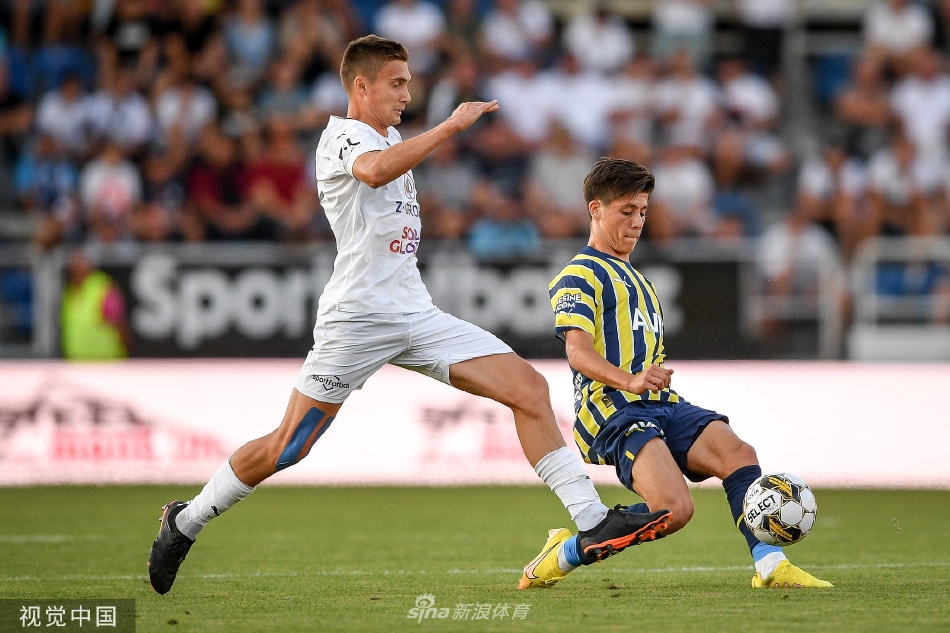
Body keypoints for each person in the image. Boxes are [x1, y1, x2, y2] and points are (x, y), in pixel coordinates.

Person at [148, 35, 668, 595]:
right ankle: (186, 520)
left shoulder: (393, 137)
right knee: (288, 447)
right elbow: (373, 173)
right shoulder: (341, 137)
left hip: (416, 313)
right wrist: (449, 127)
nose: (406, 93)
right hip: (357, 318)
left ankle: (590, 520)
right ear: (361, 86)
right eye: (396, 83)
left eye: (408, 83)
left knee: (529, 388)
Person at [518, 157, 832, 590]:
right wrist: (630, 381)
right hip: (612, 409)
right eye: (626, 211)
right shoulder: (580, 274)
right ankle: (566, 552)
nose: (637, 222)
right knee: (673, 510)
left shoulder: (641, 281)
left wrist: (648, 380)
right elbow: (577, 352)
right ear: (595, 210)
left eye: (643, 211)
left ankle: (770, 566)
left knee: (738, 453)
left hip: (661, 404)